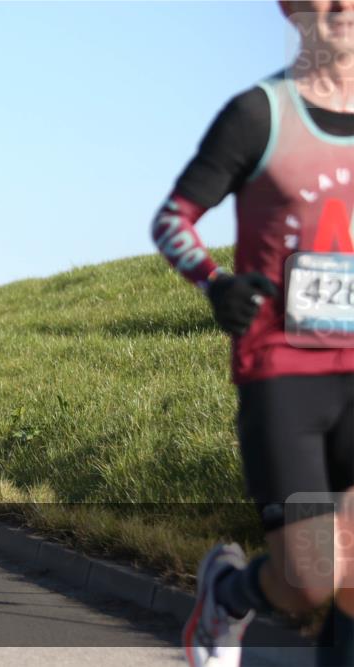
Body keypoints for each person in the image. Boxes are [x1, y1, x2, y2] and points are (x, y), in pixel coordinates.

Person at [150, 4, 354, 665]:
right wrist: (215, 283)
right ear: (293, 9)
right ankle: (228, 593)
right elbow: (173, 220)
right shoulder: (260, 114)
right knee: (310, 578)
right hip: (285, 371)